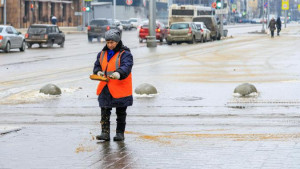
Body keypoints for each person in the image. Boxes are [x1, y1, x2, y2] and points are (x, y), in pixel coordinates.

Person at [93, 29, 133, 141]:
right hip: (105, 87)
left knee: (120, 112)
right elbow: (97, 66)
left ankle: (120, 134)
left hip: (120, 88)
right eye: (108, 42)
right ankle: (105, 133)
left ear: (117, 41)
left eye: (112, 42)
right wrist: (98, 72)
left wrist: (118, 73)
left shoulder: (125, 54)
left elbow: (126, 66)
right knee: (105, 110)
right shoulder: (101, 54)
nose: (110, 45)